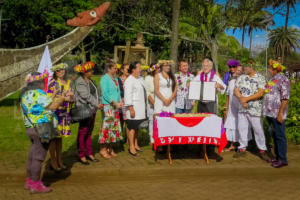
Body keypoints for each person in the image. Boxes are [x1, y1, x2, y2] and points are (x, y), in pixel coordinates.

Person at [21, 71, 65, 193]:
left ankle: (29, 181)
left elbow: (40, 105)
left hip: (30, 128)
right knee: (38, 158)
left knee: (32, 156)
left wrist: (54, 94)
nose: (44, 83)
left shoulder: (25, 94)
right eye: (43, 81)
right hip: (42, 129)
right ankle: (36, 184)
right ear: (39, 82)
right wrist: (62, 98)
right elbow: (53, 106)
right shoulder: (38, 93)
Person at [234, 60, 269, 161]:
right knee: (242, 128)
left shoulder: (260, 78)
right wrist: (242, 99)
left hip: (255, 109)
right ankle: (242, 148)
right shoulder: (241, 77)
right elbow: (236, 89)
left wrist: (246, 99)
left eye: (246, 66)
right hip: (242, 108)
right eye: (244, 66)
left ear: (252, 66)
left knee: (258, 129)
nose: (244, 68)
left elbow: (260, 93)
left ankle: (262, 149)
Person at [194, 58, 226, 161]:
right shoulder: (199, 76)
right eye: (203, 66)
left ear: (211, 67)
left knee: (211, 126)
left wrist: (219, 85)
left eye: (207, 66)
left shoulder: (215, 77)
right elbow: (192, 85)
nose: (205, 67)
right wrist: (190, 84)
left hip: (211, 104)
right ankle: (200, 149)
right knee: (200, 125)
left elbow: (224, 88)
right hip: (201, 104)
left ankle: (210, 150)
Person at [47, 63, 74, 172]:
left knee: (60, 138)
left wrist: (71, 99)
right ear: (55, 72)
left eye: (63, 70)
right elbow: (48, 100)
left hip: (64, 113)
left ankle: (59, 159)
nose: (61, 72)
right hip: (55, 112)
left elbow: (72, 98)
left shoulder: (68, 83)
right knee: (53, 138)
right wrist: (61, 98)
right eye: (59, 70)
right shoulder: (52, 83)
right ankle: (53, 161)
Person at [263, 59, 290, 168]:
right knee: (274, 135)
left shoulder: (283, 79)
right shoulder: (272, 79)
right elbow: (266, 91)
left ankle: (283, 160)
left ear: (275, 69)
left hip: (277, 113)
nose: (268, 69)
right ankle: (277, 157)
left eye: (270, 67)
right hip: (270, 113)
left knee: (280, 136)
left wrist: (281, 113)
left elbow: (285, 98)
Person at [74, 61, 101, 165]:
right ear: (84, 72)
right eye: (90, 70)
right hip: (84, 110)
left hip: (92, 109)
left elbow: (96, 94)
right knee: (83, 131)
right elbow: (86, 96)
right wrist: (97, 104)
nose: (92, 71)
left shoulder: (91, 81)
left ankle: (89, 153)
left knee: (89, 131)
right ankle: (81, 154)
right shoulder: (80, 81)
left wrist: (99, 102)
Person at [99, 61, 123, 158]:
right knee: (106, 128)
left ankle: (110, 148)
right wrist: (114, 102)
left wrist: (120, 101)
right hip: (108, 106)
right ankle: (103, 149)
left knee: (114, 127)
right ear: (109, 69)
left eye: (116, 68)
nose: (116, 69)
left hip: (116, 106)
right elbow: (105, 93)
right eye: (114, 68)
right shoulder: (104, 79)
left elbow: (118, 92)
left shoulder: (116, 79)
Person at [124, 62, 147, 156]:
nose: (140, 69)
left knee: (137, 127)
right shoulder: (129, 80)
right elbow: (127, 96)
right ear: (133, 69)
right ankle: (131, 147)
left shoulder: (140, 78)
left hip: (141, 107)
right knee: (132, 127)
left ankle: (136, 144)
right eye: (139, 68)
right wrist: (131, 108)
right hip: (134, 107)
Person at [224, 65, 242, 151]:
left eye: (239, 70)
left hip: (240, 107)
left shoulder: (242, 81)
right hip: (231, 107)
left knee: (240, 125)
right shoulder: (230, 81)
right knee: (231, 125)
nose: (237, 72)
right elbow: (228, 95)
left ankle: (241, 145)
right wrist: (226, 108)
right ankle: (232, 144)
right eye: (236, 70)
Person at [145, 63, 160, 144]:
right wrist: (154, 103)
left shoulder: (160, 77)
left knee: (159, 120)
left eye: (159, 68)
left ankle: (159, 136)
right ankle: (152, 137)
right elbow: (147, 92)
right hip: (151, 102)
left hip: (160, 102)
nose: (158, 69)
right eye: (157, 68)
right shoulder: (148, 78)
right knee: (152, 120)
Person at [117, 63, 130, 138]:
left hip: (129, 102)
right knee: (121, 120)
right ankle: (120, 137)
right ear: (122, 70)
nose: (128, 70)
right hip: (121, 101)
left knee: (128, 121)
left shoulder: (131, 79)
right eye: (127, 69)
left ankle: (129, 139)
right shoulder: (118, 79)